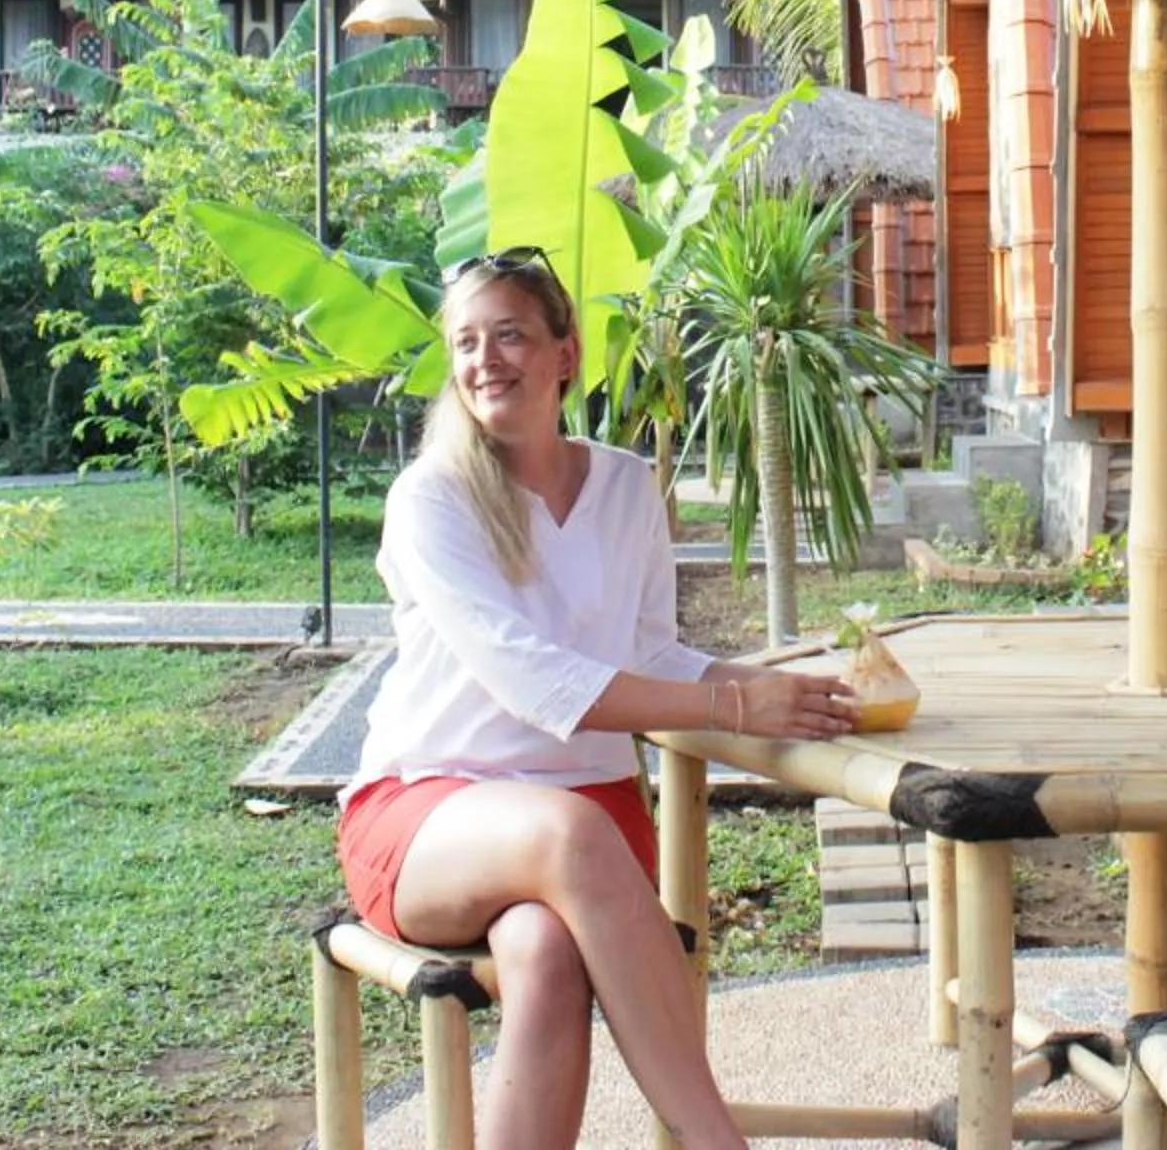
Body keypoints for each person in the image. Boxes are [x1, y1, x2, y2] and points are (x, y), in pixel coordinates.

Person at [337, 246, 858, 1150]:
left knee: (542, 952)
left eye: (510, 335)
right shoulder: (433, 498)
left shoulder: (625, 484)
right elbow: (532, 679)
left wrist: (766, 689)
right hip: (428, 815)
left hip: (587, 813)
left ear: (566, 353)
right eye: (466, 341)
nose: (485, 359)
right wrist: (729, 710)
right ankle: (719, 1143)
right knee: (565, 835)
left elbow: (653, 650)